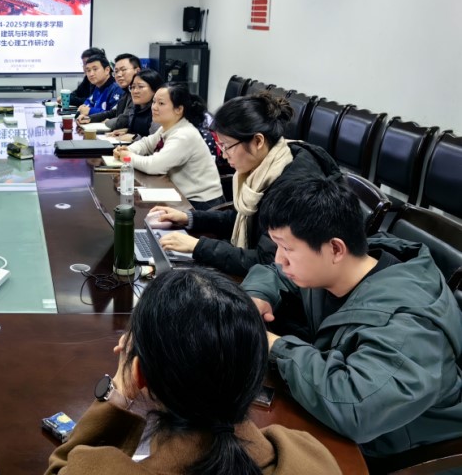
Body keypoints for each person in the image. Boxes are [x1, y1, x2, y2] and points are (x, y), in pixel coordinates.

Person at [242, 176, 462, 458]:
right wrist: (257, 296)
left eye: (287, 248)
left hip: (395, 445)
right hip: (340, 414)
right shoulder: (341, 266)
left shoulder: (410, 327)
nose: (279, 259)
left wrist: (275, 346)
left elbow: (355, 408)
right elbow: (274, 273)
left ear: (335, 249)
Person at [46, 267, 341, 475]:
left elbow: (63, 466)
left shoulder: (95, 469)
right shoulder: (310, 457)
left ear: (139, 375)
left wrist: (119, 391)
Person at [149, 92, 339, 276]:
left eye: (227, 146)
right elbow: (242, 218)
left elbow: (268, 263)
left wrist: (198, 246)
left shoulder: (293, 191)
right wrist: (188, 218)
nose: (224, 155)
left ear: (258, 141)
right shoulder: (266, 167)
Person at [113, 83, 224, 208]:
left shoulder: (184, 134)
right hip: (178, 194)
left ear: (179, 109)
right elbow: (146, 143)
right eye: (154, 102)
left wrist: (127, 157)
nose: (154, 107)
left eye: (161, 103)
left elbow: (154, 166)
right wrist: (128, 149)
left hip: (200, 203)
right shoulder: (169, 127)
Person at [78, 53, 141, 131]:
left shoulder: (138, 92)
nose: (119, 75)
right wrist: (89, 118)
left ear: (137, 71)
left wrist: (108, 122)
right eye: (116, 71)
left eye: (123, 70)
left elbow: (125, 119)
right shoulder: (127, 92)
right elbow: (114, 112)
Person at [119, 68, 163, 139]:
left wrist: (134, 137)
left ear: (155, 90)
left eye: (141, 87)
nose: (135, 91)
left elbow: (156, 141)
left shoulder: (157, 111)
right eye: (133, 87)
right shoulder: (135, 109)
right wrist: (127, 132)